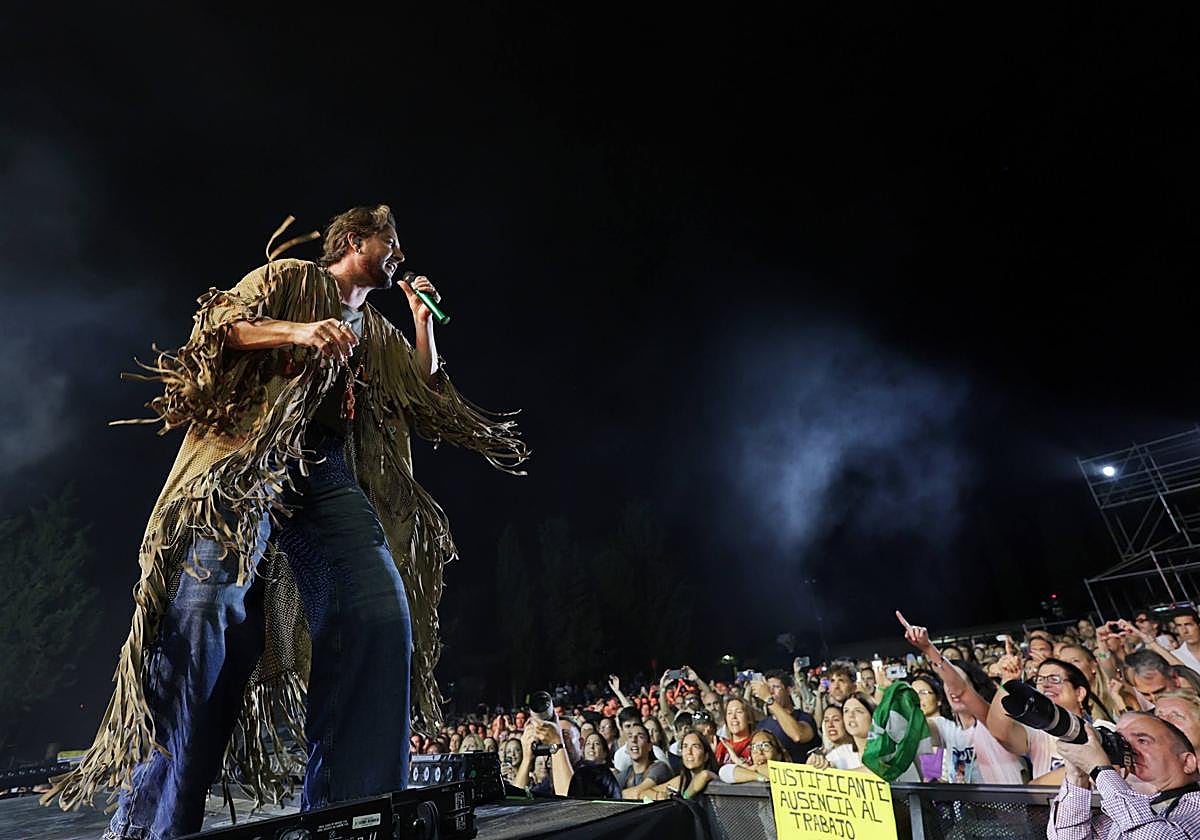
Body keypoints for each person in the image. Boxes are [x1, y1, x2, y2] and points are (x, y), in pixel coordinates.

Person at [46, 206, 529, 838]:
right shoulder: (292, 278)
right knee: (205, 612)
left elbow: (424, 392)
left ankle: (347, 815)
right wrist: (300, 333)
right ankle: (150, 823)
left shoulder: (379, 330)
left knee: (377, 610)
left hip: (324, 469)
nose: (400, 254)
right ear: (354, 241)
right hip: (251, 456)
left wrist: (420, 321)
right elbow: (219, 326)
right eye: (390, 242)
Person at [1048, 712, 1200, 838]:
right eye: (1123, 742)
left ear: (1187, 762)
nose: (1129, 750)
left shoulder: (1195, 807)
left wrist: (1100, 769)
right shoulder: (1125, 811)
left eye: (1142, 740)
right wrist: (1077, 777)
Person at [806, 692, 922, 782]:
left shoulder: (893, 750)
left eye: (858, 711)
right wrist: (814, 766)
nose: (851, 715)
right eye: (846, 711)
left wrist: (836, 774)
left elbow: (877, 773)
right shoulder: (840, 754)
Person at [749, 671, 820, 763]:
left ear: (788, 690)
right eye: (768, 688)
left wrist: (769, 699)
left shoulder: (804, 718)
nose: (771, 692)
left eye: (776, 687)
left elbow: (798, 736)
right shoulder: (762, 725)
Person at [650, 729, 720, 801]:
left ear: (706, 756)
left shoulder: (712, 776)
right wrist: (658, 795)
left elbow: (704, 775)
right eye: (685, 746)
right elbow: (643, 793)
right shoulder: (682, 780)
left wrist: (685, 797)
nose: (689, 752)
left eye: (695, 746)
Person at [617, 723, 674, 799]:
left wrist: (620, 794)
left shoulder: (660, 768)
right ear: (626, 748)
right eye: (630, 736)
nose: (633, 740)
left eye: (640, 737)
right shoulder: (626, 773)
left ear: (649, 746)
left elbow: (637, 793)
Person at [718, 730, 785, 783]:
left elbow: (771, 771)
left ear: (779, 755)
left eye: (766, 746)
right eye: (755, 747)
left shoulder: (787, 772)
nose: (759, 752)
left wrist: (750, 768)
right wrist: (756, 776)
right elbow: (724, 772)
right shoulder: (751, 773)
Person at [714, 697, 757, 766]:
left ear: (749, 718)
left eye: (739, 712)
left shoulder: (756, 744)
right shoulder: (722, 746)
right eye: (729, 713)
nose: (733, 717)